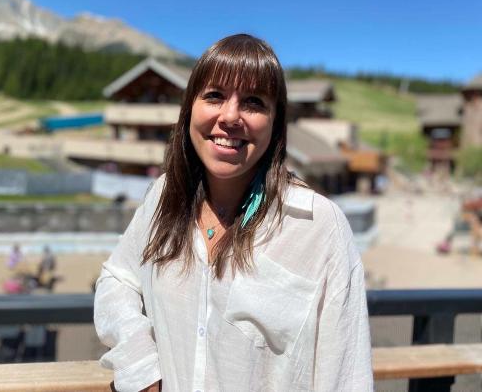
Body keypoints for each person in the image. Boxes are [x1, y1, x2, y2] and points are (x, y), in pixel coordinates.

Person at [94, 34, 373, 391]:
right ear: (189, 109)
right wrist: (140, 365)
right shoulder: (164, 197)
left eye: (253, 102)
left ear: (275, 123)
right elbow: (117, 280)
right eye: (214, 96)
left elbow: (347, 379)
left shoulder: (319, 226)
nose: (230, 116)